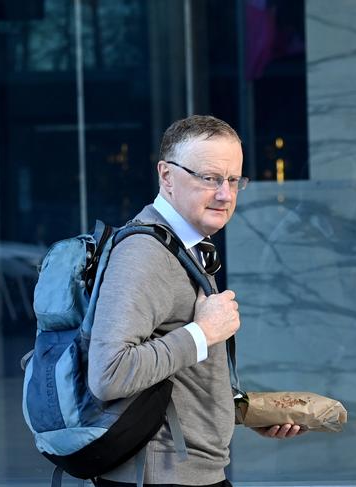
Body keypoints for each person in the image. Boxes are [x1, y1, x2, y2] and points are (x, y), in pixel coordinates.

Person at [88, 115, 303, 487]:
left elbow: (177, 376)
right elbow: (109, 374)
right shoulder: (145, 253)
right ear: (166, 176)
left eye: (234, 180)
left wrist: (245, 411)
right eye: (209, 178)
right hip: (159, 478)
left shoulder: (183, 246)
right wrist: (202, 333)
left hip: (186, 474)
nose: (225, 194)